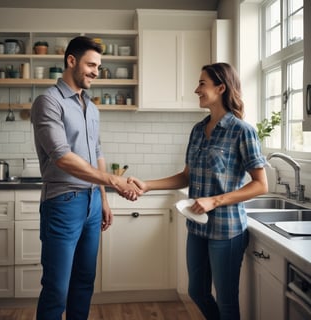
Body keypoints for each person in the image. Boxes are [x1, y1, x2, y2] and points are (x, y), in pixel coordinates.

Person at [129, 63, 268, 320]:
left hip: (227, 230)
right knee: (197, 291)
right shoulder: (197, 130)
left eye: (202, 83)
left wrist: (215, 200)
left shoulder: (242, 131)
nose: (196, 89)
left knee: (226, 301)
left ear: (221, 87)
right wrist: (148, 185)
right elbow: (185, 176)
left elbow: (261, 184)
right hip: (198, 227)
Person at [31, 36, 141, 320]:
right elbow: (62, 156)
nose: (96, 71)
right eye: (91, 65)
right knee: (56, 287)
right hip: (63, 202)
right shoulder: (48, 102)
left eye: (99, 67)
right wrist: (114, 181)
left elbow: (97, 151)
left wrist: (103, 198)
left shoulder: (90, 106)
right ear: (71, 61)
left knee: (84, 281)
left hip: (92, 203)